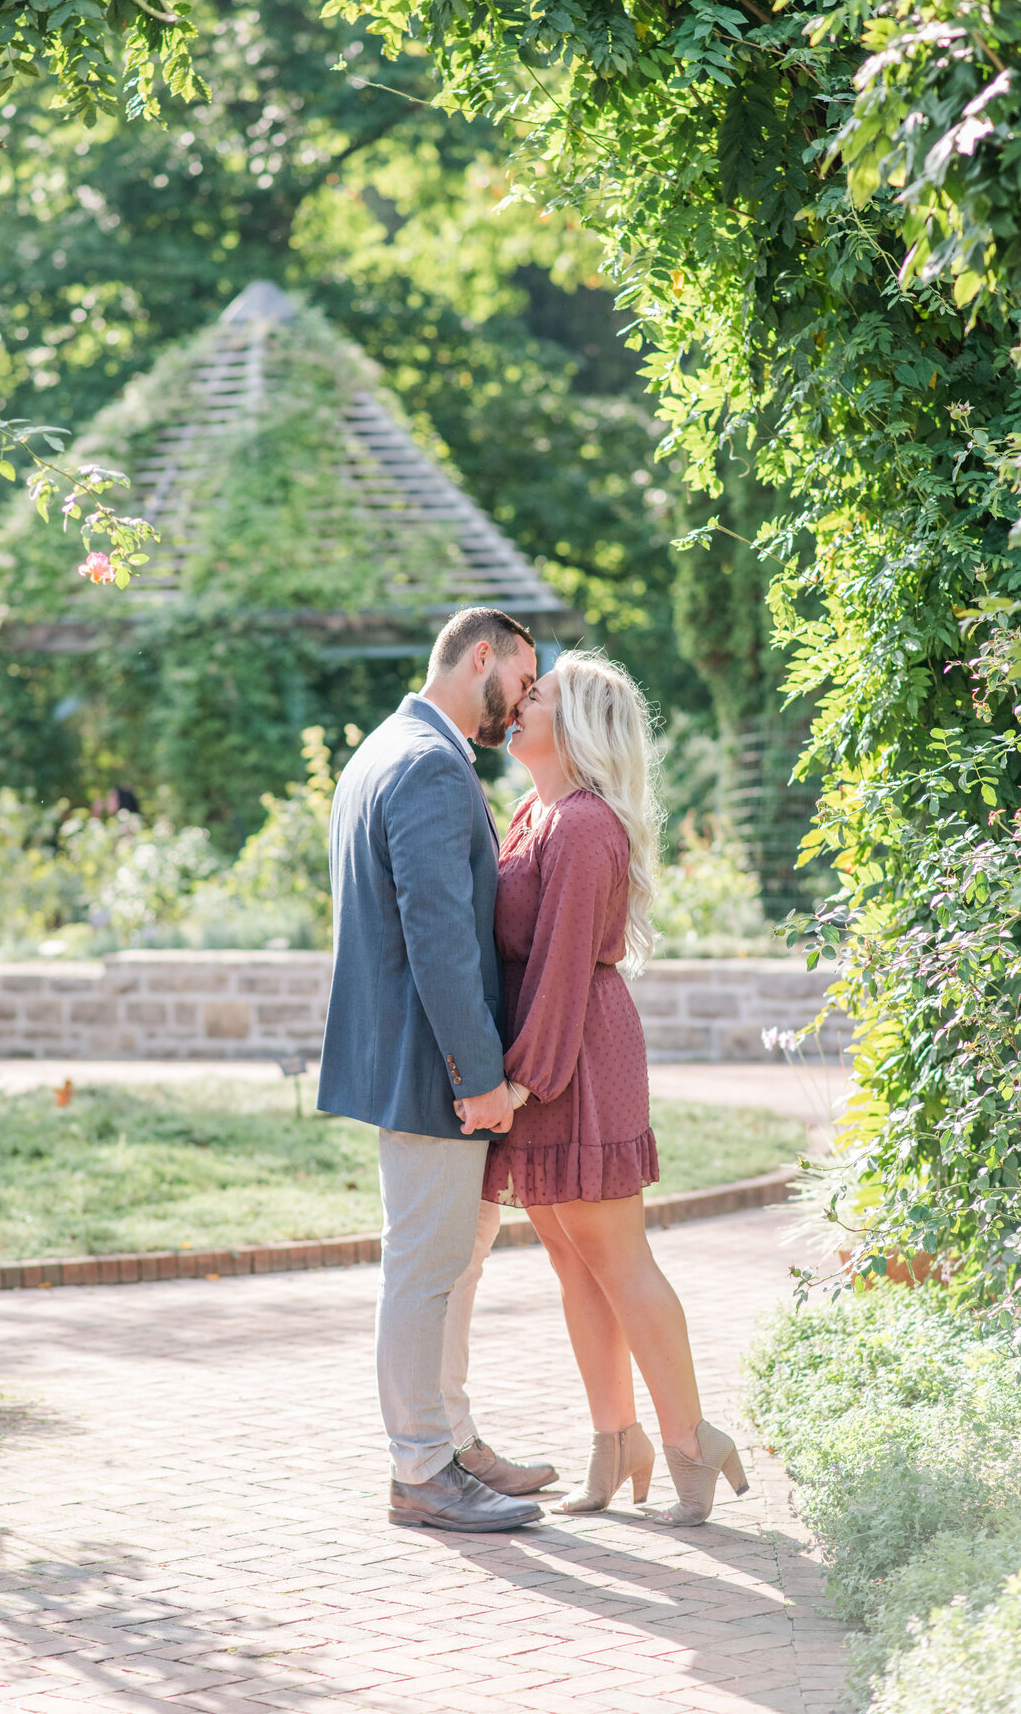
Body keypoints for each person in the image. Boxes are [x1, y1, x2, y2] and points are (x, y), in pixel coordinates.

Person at [460, 651, 750, 1525]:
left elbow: (557, 969)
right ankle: (615, 1440)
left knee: (618, 1258)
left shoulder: (584, 824)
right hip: (543, 1052)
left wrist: (523, 1080)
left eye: (535, 695)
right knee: (570, 1259)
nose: (516, 704)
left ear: (575, 724)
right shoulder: (529, 813)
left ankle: (692, 1440)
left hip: (575, 1056)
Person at [319, 606, 557, 1532]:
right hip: (432, 1066)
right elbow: (439, 938)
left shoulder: (389, 746)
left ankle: (453, 1441)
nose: (526, 700)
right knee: (425, 1270)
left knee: (451, 1265)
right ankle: (421, 1467)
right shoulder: (425, 763)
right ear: (481, 655)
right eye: (524, 678)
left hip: (410, 1057)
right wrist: (478, 1071)